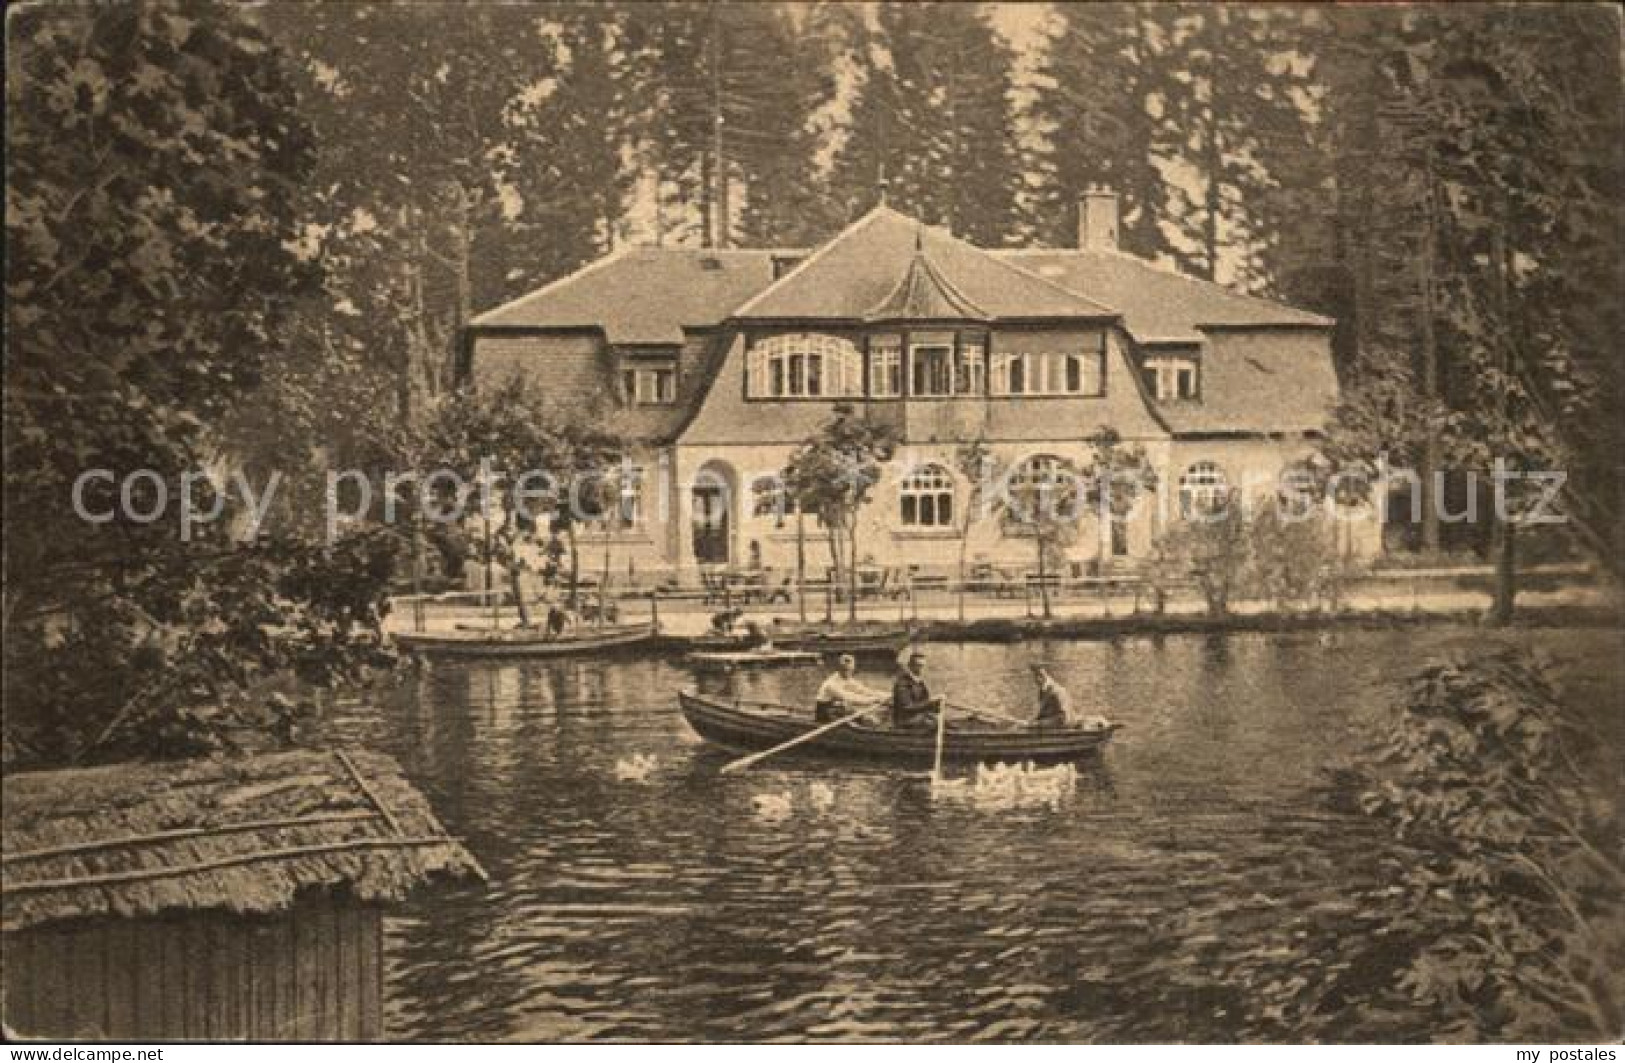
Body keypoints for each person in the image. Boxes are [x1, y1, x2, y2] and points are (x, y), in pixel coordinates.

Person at [814, 654, 887, 723]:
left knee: (865, 718)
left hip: (835, 708)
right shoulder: (831, 684)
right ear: (839, 669)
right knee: (864, 718)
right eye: (846, 670)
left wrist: (884, 695)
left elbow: (864, 690)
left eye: (851, 670)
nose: (849, 672)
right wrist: (874, 700)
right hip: (824, 713)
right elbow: (851, 697)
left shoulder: (847, 679)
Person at [891, 647, 940, 729]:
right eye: (919, 666)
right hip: (904, 721)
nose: (921, 669)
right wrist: (930, 702)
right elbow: (907, 707)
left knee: (942, 721)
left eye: (923, 666)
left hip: (918, 717)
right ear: (911, 666)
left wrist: (937, 705)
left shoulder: (920, 683)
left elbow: (925, 701)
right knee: (933, 723)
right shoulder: (902, 683)